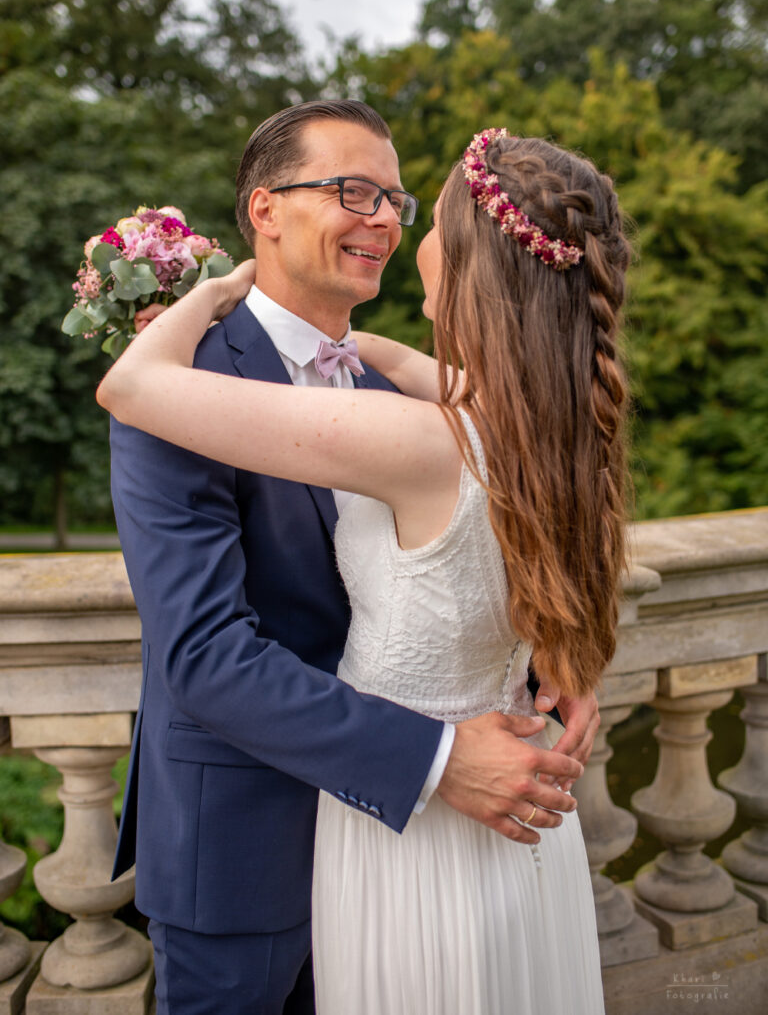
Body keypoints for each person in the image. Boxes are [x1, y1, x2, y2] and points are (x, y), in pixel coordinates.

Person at [104, 103, 603, 1015]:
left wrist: (541, 660)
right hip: (244, 857)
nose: (383, 217)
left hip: (426, 848)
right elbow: (206, 656)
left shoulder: (400, 390)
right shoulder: (188, 386)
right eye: (353, 191)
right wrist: (435, 757)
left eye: (398, 200)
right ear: (264, 209)